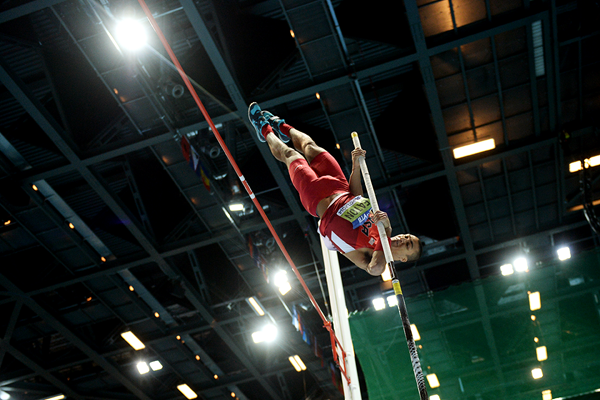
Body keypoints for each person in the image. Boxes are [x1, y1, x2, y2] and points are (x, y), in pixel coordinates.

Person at [248, 102, 422, 276]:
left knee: (290, 155)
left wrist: (388, 231)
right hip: (339, 184)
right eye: (407, 236)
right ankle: (281, 126)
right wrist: (355, 167)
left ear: (404, 258)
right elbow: (357, 198)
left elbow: (375, 268)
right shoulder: (380, 223)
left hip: (317, 199)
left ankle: (263, 129)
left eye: (408, 245)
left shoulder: (374, 257)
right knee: (310, 146)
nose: (403, 239)